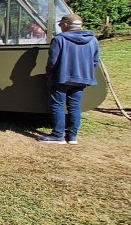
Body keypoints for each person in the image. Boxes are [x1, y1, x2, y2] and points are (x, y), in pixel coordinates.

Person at [38, 13, 100, 144]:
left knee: (57, 105)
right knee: (75, 106)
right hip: (82, 78)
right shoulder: (93, 40)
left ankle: (58, 135)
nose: (60, 27)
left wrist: (49, 74)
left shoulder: (59, 39)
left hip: (61, 78)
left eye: (61, 24)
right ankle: (72, 137)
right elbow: (95, 61)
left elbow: (52, 61)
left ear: (66, 25)